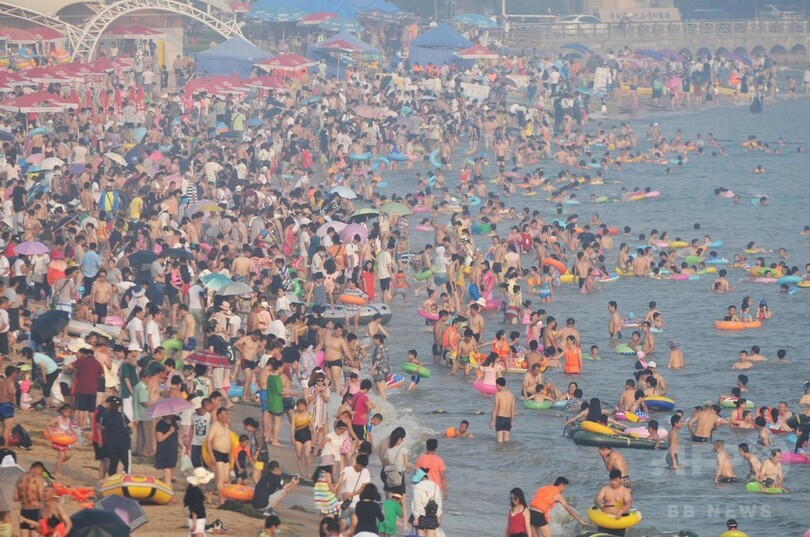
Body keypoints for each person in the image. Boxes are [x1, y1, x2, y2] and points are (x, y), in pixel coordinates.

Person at [206, 407, 232, 506]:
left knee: (225, 479)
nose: (227, 416)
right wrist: (211, 455)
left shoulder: (226, 426)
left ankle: (210, 493)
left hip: (226, 454)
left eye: (227, 414)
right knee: (220, 478)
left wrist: (230, 454)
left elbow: (228, 439)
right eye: (225, 414)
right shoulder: (215, 426)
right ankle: (221, 500)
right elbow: (208, 442)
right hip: (217, 453)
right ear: (219, 415)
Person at [14, 462, 48, 537]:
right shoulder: (39, 479)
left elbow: (15, 498)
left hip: (24, 510)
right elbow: (40, 496)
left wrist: (25, 496)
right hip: (35, 510)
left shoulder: (19, 479)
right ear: (39, 470)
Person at [411, 468, 442, 537]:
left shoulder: (417, 487)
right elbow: (438, 501)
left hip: (421, 515)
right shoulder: (435, 485)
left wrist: (416, 517)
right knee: (431, 535)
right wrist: (438, 515)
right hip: (432, 514)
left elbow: (417, 503)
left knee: (420, 535)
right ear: (426, 476)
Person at [184, 467, 214, 537]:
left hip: (194, 518)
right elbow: (195, 507)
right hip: (198, 519)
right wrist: (195, 522)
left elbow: (191, 505)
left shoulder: (191, 489)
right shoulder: (196, 492)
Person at [154, 414, 180, 492]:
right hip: (164, 450)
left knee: (170, 471)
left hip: (172, 450)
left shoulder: (173, 423)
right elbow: (160, 439)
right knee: (167, 471)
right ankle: (169, 492)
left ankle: (165, 489)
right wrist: (169, 432)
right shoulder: (160, 425)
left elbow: (177, 437)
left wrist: (184, 447)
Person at [491, 377, 515, 443]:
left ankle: (500, 453)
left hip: (500, 418)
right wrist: (512, 421)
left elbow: (495, 408)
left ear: (498, 385)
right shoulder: (511, 395)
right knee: (506, 441)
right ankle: (506, 453)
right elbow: (512, 409)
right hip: (508, 419)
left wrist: (492, 421)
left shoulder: (498, 394)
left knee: (500, 441)